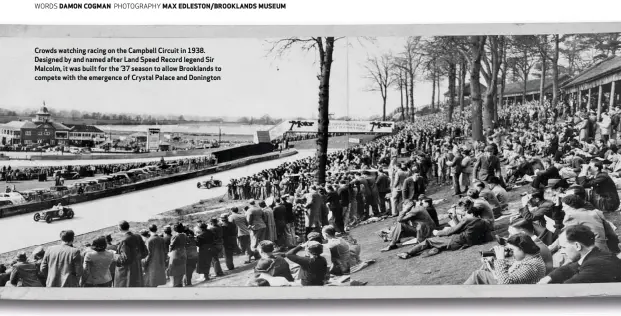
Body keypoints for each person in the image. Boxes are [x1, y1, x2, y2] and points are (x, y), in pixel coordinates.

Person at [397, 206, 491, 260]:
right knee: (438, 242)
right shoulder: (485, 222)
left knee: (428, 241)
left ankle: (407, 253)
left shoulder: (467, 219)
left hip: (457, 241)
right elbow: (486, 236)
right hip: (467, 241)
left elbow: (452, 231)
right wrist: (454, 217)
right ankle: (436, 248)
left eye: (466, 213)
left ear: (471, 214)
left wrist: (438, 232)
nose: (464, 215)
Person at [538, 225, 621, 284]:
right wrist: (550, 277)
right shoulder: (597, 254)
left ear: (577, 246)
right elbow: (571, 267)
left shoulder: (595, 265)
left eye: (563, 247)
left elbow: (567, 288)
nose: (563, 251)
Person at [463, 233, 546, 285]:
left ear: (522, 248)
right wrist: (493, 262)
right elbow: (512, 268)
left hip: (516, 294)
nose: (511, 253)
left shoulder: (531, 266)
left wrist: (500, 259)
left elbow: (505, 283)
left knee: (477, 275)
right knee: (483, 271)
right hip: (517, 288)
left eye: (512, 250)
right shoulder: (530, 258)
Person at [114, 221, 148, 287]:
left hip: (128, 270)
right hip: (137, 266)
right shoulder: (138, 236)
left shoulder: (125, 240)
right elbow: (145, 252)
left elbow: (125, 259)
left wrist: (114, 255)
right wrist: (137, 258)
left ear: (119, 229)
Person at [167, 222, 188, 287]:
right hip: (183, 252)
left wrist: (169, 252)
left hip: (176, 253)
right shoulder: (184, 235)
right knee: (181, 269)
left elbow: (171, 245)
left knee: (174, 269)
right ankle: (179, 283)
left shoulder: (175, 236)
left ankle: (175, 284)